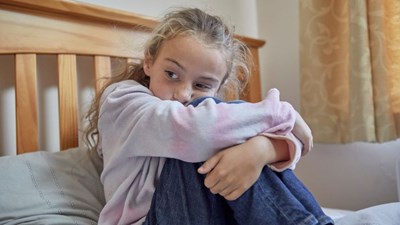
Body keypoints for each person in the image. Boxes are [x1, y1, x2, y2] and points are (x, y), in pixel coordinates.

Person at [83, 7, 334, 225]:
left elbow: (300, 142)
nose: (183, 94)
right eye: (171, 74)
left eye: (202, 85)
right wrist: (282, 112)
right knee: (206, 120)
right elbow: (194, 131)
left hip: (209, 214)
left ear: (219, 85)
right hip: (151, 219)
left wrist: (261, 150)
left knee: (222, 124)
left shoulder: (221, 120)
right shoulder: (122, 100)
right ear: (149, 62)